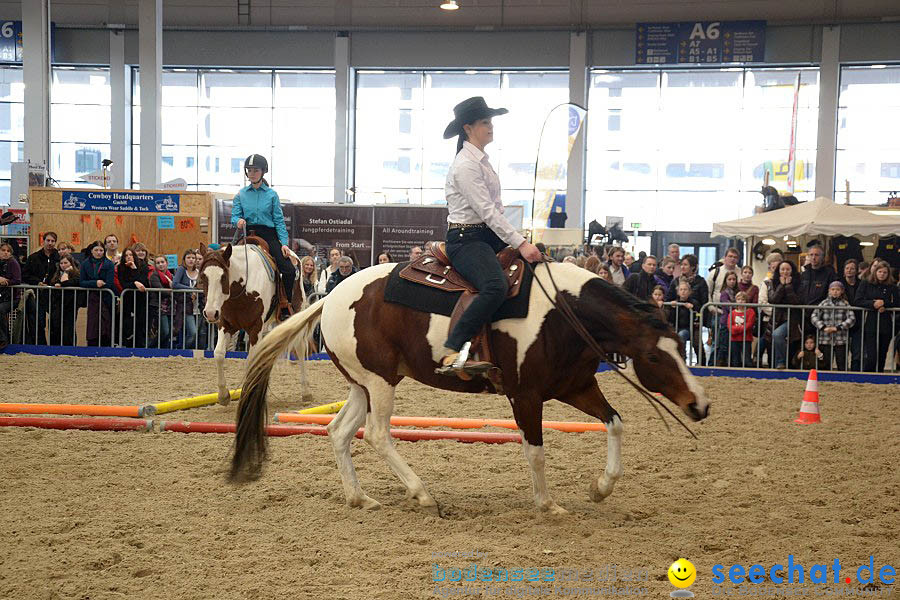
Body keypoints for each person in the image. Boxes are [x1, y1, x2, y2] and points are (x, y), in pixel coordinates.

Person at [436, 96, 542, 377]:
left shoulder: (481, 161)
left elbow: (495, 209)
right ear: (469, 128)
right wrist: (520, 242)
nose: (491, 127)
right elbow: (487, 212)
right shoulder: (466, 166)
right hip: (466, 240)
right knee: (495, 285)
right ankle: (452, 350)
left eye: (491, 122)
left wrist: (519, 242)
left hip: (484, 236)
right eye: (485, 122)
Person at [231, 153, 295, 319]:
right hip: (247, 232)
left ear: (263, 171)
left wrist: (284, 244)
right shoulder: (240, 194)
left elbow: (279, 221)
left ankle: (285, 303)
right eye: (249, 170)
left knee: (288, 269)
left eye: (255, 170)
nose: (252, 173)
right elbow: (234, 216)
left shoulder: (272, 195)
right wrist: (238, 220)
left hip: (268, 235)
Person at [853, 259, 899, 372]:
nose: (882, 274)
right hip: (871, 324)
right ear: (875, 272)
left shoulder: (892, 287)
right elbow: (858, 300)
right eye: (880, 272)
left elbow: (897, 302)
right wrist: (873, 304)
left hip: (886, 324)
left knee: (882, 355)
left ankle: (880, 376)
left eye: (884, 272)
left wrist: (885, 304)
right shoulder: (866, 283)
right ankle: (868, 375)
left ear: (888, 274)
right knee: (871, 356)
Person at [22, 231, 60, 345]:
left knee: (55, 322)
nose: (50, 243)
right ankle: (41, 346)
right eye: (48, 240)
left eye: (53, 241)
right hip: (38, 294)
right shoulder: (33, 257)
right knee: (39, 322)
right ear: (43, 241)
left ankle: (54, 346)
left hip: (55, 295)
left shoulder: (59, 257)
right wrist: (36, 282)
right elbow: (25, 275)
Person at [811, 281, 855, 371]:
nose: (835, 292)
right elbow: (814, 316)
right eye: (833, 289)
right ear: (829, 291)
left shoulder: (845, 304)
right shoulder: (824, 303)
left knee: (842, 363)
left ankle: (843, 380)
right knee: (825, 364)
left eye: (838, 290)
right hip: (825, 339)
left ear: (842, 291)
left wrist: (838, 327)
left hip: (841, 340)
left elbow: (852, 318)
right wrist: (823, 327)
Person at [797, 243, 838, 338]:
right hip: (804, 314)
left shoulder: (829, 273)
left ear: (822, 257)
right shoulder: (804, 274)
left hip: (821, 315)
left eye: (816, 255)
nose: (813, 257)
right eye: (811, 255)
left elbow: (833, 292)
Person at [80, 241, 116, 347]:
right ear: (91, 251)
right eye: (96, 250)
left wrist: (100, 285)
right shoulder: (85, 264)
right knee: (92, 324)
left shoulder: (108, 264)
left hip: (106, 298)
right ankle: (92, 346)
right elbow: (82, 282)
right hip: (92, 298)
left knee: (106, 323)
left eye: (101, 250)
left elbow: (109, 283)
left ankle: (106, 346)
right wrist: (95, 283)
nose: (99, 252)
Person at [770, 260, 803, 369]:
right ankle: (779, 364)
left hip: (792, 318)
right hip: (777, 318)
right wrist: (781, 286)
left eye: (788, 269)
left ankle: (782, 361)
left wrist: (788, 286)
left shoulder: (798, 282)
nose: (785, 272)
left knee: (777, 335)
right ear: (778, 271)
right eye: (782, 269)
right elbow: (773, 300)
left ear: (792, 271)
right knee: (775, 339)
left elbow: (796, 301)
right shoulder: (773, 282)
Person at [117, 248, 150, 348]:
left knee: (140, 323)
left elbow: (143, 281)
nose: (128, 257)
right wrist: (135, 283)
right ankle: (127, 345)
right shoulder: (121, 268)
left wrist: (134, 269)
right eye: (126, 255)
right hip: (128, 299)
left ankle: (140, 346)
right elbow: (124, 284)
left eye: (130, 255)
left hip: (141, 299)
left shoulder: (143, 266)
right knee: (127, 323)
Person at [757, 251, 784, 367]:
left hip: (783, 320)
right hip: (769, 319)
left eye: (778, 267)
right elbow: (762, 302)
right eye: (773, 267)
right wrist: (777, 312)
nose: (776, 269)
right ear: (770, 267)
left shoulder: (788, 281)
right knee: (768, 344)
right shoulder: (766, 282)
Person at [48, 255, 80, 346]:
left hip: (70, 305)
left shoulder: (76, 274)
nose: (63, 265)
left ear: (71, 264)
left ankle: (70, 349)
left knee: (68, 329)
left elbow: (66, 283)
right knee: (55, 327)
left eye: (66, 263)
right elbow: (53, 283)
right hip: (57, 305)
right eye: (61, 263)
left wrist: (66, 272)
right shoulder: (56, 274)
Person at [172, 250, 199, 349]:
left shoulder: (198, 272)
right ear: (184, 259)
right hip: (185, 305)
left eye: (193, 258)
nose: (191, 260)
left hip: (198, 306)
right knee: (192, 332)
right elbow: (175, 284)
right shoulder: (181, 269)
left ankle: (183, 348)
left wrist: (197, 292)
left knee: (201, 332)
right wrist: (191, 290)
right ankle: (181, 348)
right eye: (188, 258)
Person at [840, 259, 863, 370]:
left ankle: (855, 372)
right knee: (842, 350)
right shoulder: (839, 283)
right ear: (844, 270)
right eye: (847, 268)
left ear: (856, 270)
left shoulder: (861, 284)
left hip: (858, 322)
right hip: (842, 322)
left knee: (857, 350)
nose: (849, 271)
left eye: (852, 268)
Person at [714, 270, 740, 366]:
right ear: (726, 281)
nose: (732, 281)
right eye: (729, 279)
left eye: (734, 279)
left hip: (735, 321)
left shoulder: (737, 292)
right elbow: (728, 306)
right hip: (726, 321)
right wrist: (737, 307)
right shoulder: (724, 293)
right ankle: (720, 363)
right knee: (724, 344)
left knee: (733, 345)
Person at [0, 242, 22, 350]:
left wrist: (6, 281)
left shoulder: (13, 263)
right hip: (2, 296)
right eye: (3, 250)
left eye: (8, 251)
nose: (5, 253)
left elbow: (17, 280)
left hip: (13, 297)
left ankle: (4, 339)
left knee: (0, 309)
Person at [148, 255, 173, 349]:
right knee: (164, 331)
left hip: (169, 306)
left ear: (167, 263)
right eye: (158, 263)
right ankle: (151, 347)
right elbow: (160, 290)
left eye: (162, 262)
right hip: (158, 306)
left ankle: (164, 351)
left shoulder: (170, 275)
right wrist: (172, 290)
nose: (161, 265)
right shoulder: (154, 275)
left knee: (169, 331)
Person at [727, 290, 756, 367]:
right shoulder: (732, 313)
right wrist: (742, 328)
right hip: (734, 339)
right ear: (736, 301)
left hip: (746, 339)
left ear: (746, 301)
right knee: (735, 360)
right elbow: (730, 327)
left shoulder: (751, 312)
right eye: (739, 299)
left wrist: (737, 329)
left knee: (747, 360)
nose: (741, 301)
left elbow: (749, 325)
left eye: (743, 299)